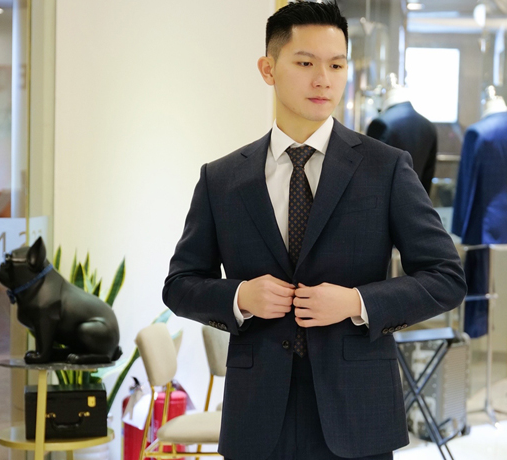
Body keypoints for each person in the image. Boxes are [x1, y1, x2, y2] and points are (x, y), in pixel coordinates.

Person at [163, 2, 466, 459]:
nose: (323, 79)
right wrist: (240, 296)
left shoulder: (386, 168)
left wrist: (357, 302)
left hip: (358, 414)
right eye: (305, 63)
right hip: (257, 416)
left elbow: (446, 277)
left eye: (336, 65)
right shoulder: (221, 178)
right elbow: (180, 285)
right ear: (268, 69)